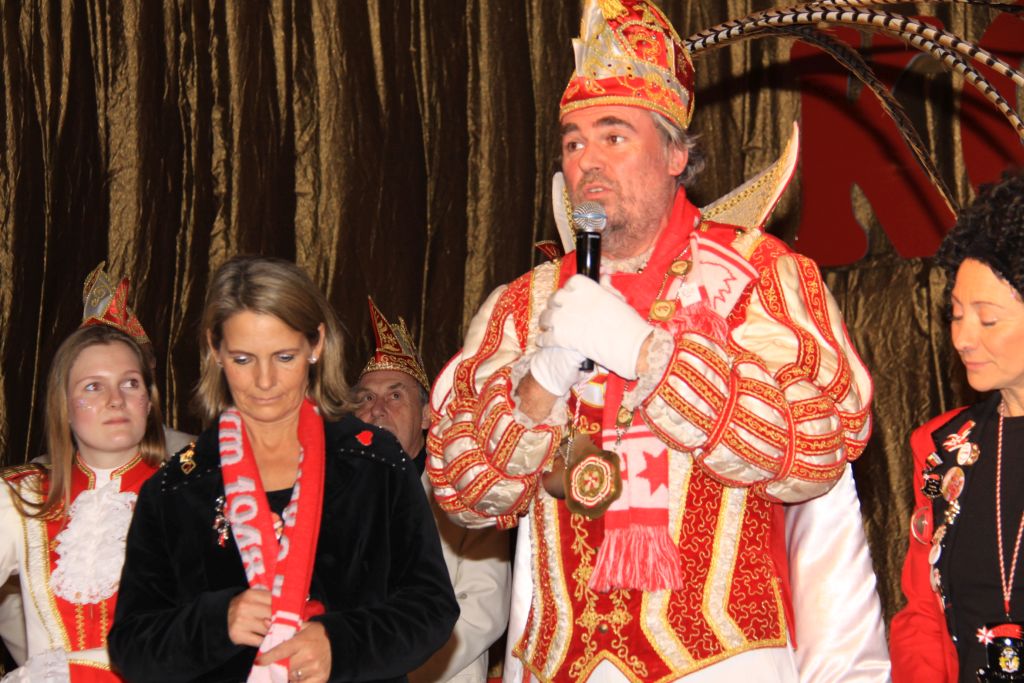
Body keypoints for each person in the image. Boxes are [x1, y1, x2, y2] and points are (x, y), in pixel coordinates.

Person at [428, 1, 873, 681]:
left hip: (720, 663)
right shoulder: (525, 303)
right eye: (573, 142)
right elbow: (459, 485)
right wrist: (541, 382)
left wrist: (649, 356)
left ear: (675, 154)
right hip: (560, 665)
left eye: (614, 136)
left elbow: (821, 443)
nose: (587, 160)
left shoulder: (758, 275)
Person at [108, 256, 459, 683]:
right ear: (215, 350)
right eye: (243, 359)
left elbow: (432, 607)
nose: (265, 381)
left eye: (284, 356)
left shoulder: (375, 463)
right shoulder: (177, 487)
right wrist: (217, 622)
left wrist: (339, 645)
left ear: (316, 345)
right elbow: (131, 648)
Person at [890, 169, 1024, 683]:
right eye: (955, 314)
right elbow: (922, 613)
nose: (963, 338)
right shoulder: (940, 450)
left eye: (987, 319)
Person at [0, 278, 166, 681]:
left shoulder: (188, 495)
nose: (116, 400)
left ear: (148, 400)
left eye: (130, 383)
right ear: (64, 406)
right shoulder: (21, 496)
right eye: (93, 387)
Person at [354, 298, 511, 683]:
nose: (377, 409)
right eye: (366, 398)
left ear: (427, 415)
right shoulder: (332, 498)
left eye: (395, 396)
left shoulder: (465, 496)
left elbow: (484, 610)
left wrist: (399, 673)